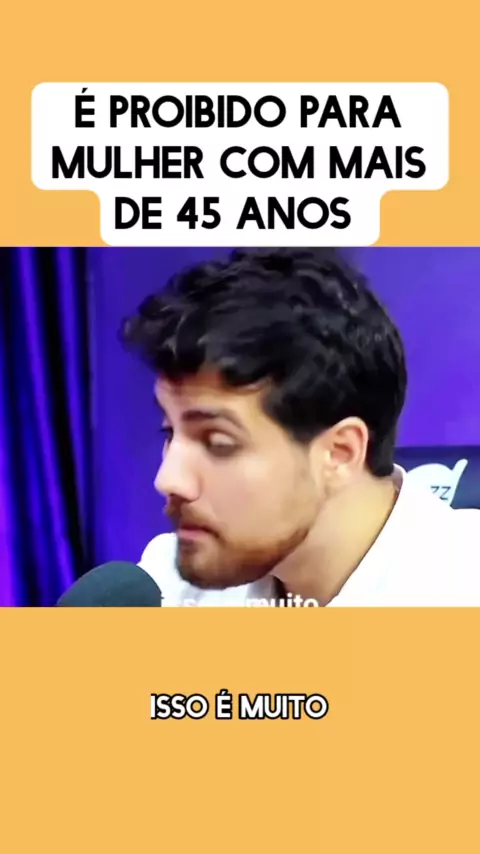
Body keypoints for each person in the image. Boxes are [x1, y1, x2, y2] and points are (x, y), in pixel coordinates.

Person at [121, 247, 480, 607]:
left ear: (339, 454)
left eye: (218, 443)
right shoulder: (167, 584)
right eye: (170, 433)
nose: (168, 480)